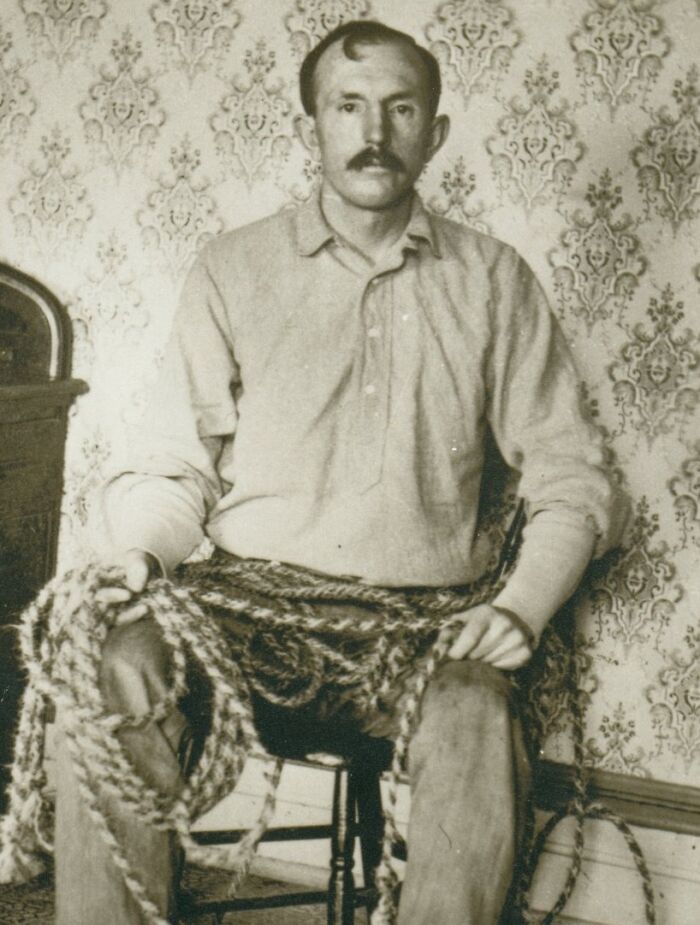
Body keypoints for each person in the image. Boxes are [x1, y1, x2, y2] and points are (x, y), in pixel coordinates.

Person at [55, 20, 624, 925]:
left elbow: (578, 480)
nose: (374, 133)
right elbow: (173, 461)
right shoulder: (233, 267)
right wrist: (143, 554)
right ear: (310, 128)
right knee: (114, 660)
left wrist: (520, 607)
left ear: (435, 132)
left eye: (401, 109)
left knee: (477, 710)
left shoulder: (495, 280)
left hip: (420, 628)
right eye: (348, 107)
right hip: (246, 614)